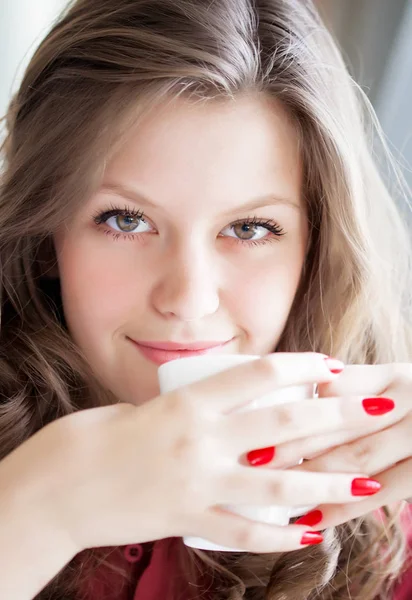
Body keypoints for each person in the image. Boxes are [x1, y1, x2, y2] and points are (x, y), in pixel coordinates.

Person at [0, 0, 411, 598]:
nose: (188, 300)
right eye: (125, 219)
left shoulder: (384, 517)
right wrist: (37, 512)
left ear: (315, 248)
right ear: (46, 238)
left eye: (249, 229)